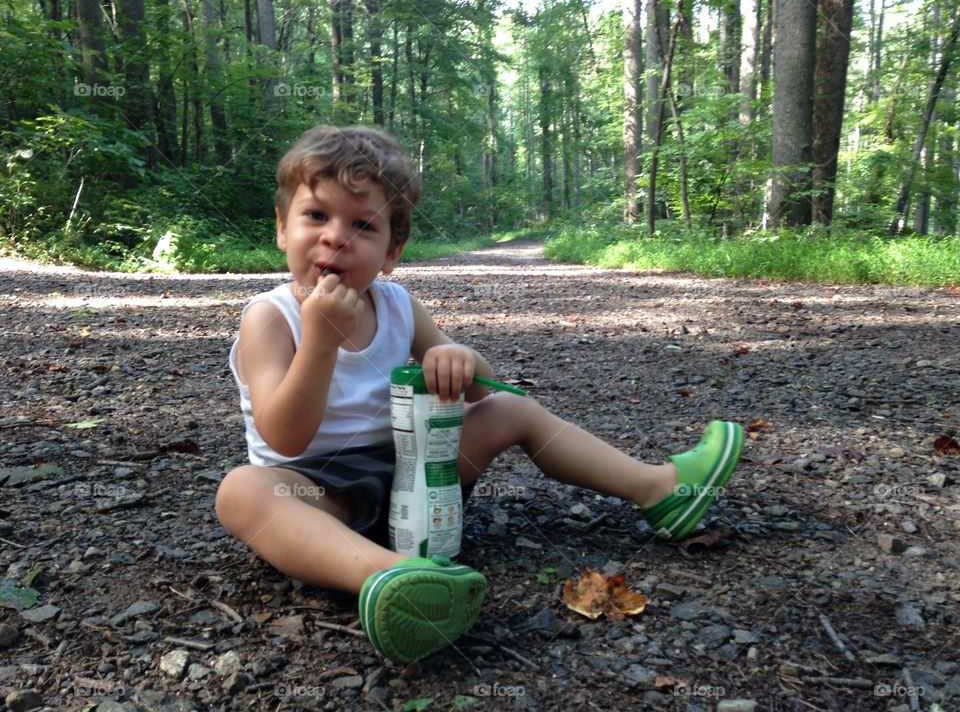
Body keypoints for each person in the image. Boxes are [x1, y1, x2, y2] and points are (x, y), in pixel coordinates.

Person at [215, 124, 745, 665]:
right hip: (319, 498)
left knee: (510, 407)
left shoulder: (398, 304)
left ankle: (660, 489)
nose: (336, 237)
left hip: (417, 482)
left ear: (392, 251)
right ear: (282, 228)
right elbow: (284, 434)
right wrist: (321, 342)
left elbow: (477, 385)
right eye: (316, 216)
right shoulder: (270, 317)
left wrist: (458, 360)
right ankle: (393, 578)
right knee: (244, 491)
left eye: (362, 225)